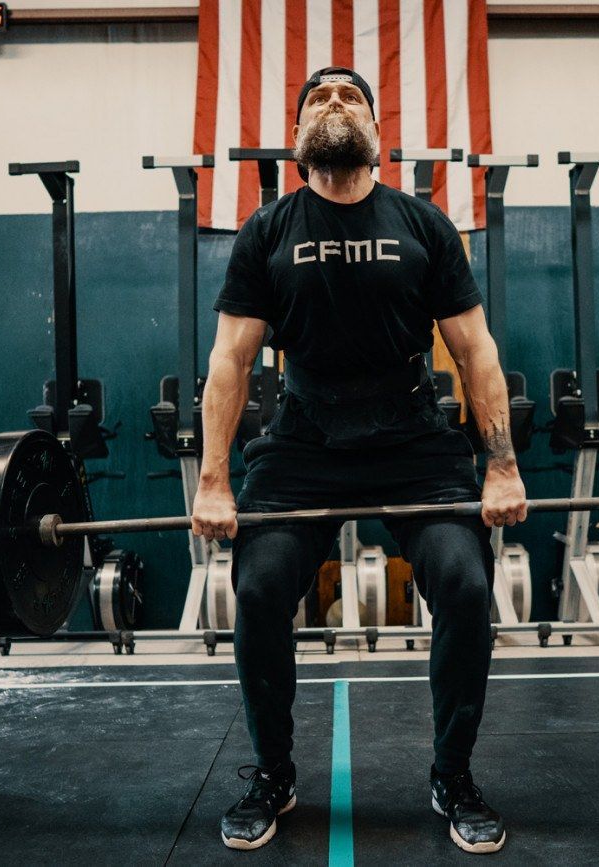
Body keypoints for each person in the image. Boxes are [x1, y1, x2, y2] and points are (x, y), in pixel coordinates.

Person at [192, 67, 521, 854]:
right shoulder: (267, 230)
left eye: (351, 98)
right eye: (318, 99)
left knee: (467, 583)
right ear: (298, 130)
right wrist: (213, 479)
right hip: (304, 437)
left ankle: (453, 773)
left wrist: (500, 463)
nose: (334, 106)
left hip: (414, 438)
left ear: (376, 128)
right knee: (263, 585)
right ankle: (273, 772)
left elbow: (475, 352)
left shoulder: (424, 225)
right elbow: (231, 362)